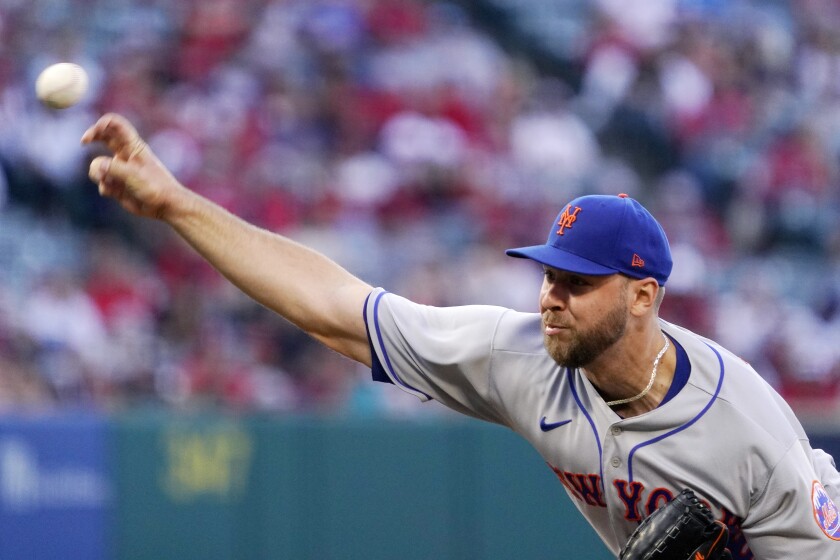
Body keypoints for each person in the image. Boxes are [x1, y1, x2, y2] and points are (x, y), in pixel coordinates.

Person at [82, 113, 840, 559]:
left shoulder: (747, 432)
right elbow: (334, 307)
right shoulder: (520, 358)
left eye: (577, 283)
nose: (551, 298)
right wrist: (179, 205)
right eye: (548, 276)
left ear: (642, 297)